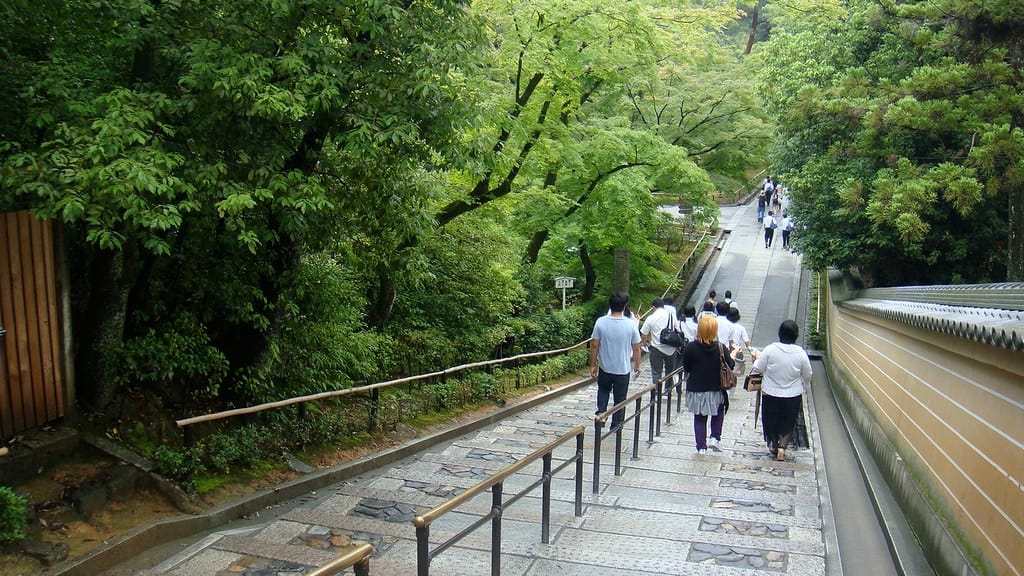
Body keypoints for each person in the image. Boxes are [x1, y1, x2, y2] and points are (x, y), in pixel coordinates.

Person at [750, 320, 812, 461]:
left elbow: (758, 368)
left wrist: (756, 358)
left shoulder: (770, 349)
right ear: (796, 335)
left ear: (780, 333)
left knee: (771, 420)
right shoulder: (800, 353)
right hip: (793, 395)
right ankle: (782, 448)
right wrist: (804, 384)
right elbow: (807, 374)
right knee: (788, 422)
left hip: (770, 393)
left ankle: (774, 445)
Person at [681, 315, 735, 453]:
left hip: (696, 388)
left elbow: (686, 367)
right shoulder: (721, 348)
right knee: (718, 412)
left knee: (699, 417)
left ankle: (701, 446)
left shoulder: (691, 347)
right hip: (716, 388)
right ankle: (715, 437)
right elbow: (730, 365)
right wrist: (733, 355)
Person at [591, 292, 643, 429]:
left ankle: (601, 413)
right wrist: (637, 365)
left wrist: (593, 365)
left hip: (605, 367)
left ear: (609, 305)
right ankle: (616, 424)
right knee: (620, 399)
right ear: (625, 306)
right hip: (623, 368)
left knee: (603, 391)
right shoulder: (631, 324)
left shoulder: (600, 322)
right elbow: (636, 348)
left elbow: (595, 345)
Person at [640, 298, 678, 391]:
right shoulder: (671, 316)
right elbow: (678, 329)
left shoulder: (651, 318)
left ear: (653, 307)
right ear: (663, 306)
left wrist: (645, 343)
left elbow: (644, 334)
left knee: (656, 371)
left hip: (656, 348)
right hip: (671, 348)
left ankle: (657, 391)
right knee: (670, 370)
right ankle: (668, 389)